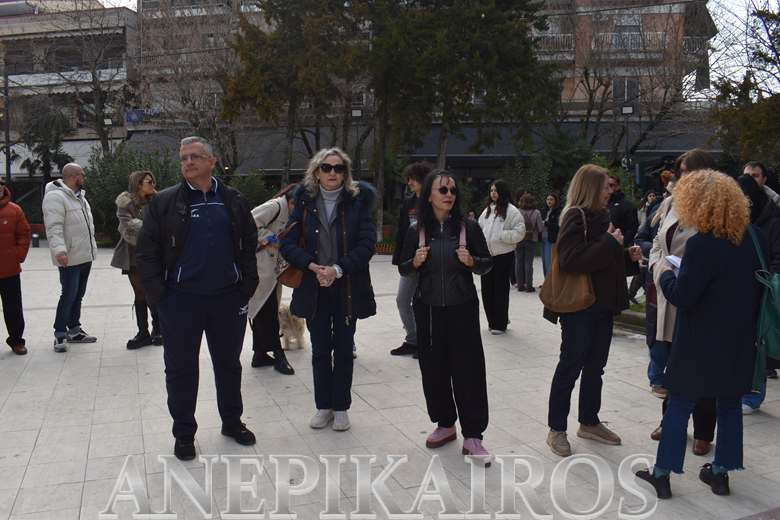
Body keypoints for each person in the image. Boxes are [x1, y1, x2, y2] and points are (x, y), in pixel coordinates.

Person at [636, 170, 763, 499]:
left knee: (679, 404)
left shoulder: (702, 244)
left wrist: (664, 272)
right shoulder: (753, 239)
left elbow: (683, 296)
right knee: (730, 406)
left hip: (698, 341)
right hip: (739, 339)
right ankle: (721, 474)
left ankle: (662, 474)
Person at [136, 136, 259, 461]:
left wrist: (247, 285)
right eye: (183, 158)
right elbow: (146, 252)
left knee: (229, 365)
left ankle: (232, 422)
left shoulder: (233, 199)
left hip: (227, 300)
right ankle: (184, 434)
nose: (188, 162)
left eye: (195, 156)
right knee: (180, 370)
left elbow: (249, 242)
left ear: (212, 161)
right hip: (180, 301)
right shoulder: (164, 202)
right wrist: (159, 296)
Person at [544, 164, 641, 457]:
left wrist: (626, 255)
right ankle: (556, 429)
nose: (610, 190)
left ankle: (589, 421)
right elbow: (571, 260)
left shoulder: (603, 215)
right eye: (605, 186)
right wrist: (610, 243)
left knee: (595, 367)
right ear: (591, 188)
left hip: (602, 304)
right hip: (580, 306)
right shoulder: (576, 216)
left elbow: (601, 259)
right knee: (570, 366)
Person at [398, 170, 494, 463]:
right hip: (427, 310)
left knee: (469, 371)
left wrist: (472, 261)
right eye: (442, 190)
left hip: (462, 308)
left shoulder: (469, 228)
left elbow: (487, 264)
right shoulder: (416, 230)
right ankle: (445, 424)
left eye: (452, 190)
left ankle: (474, 435)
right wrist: (414, 262)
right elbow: (403, 267)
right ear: (429, 195)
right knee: (434, 370)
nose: (449, 195)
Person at [281, 148, 377, 433]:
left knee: (344, 349)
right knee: (320, 350)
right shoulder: (303, 201)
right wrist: (313, 267)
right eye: (326, 167)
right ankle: (323, 406)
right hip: (314, 287)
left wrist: (337, 269)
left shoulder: (358, 201)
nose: (332, 172)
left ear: (346, 173)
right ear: (316, 171)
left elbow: (367, 244)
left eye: (339, 168)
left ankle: (342, 407)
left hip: (347, 286)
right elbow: (287, 244)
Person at [648, 148, 718, 455]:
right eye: (681, 171)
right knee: (673, 364)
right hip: (668, 291)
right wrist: (658, 268)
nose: (683, 176)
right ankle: (670, 422)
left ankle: (703, 431)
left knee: (702, 366)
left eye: (689, 170)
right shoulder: (670, 202)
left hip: (700, 296)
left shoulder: (716, 207)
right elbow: (656, 243)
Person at [42, 163, 99, 352]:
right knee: (68, 295)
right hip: (69, 257)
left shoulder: (79, 196)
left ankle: (74, 330)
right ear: (73, 176)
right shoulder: (55, 197)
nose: (84, 177)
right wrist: (60, 250)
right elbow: (54, 227)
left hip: (84, 255)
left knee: (78, 295)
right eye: (82, 174)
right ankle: (60, 333)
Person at [737, 174, 780, 413]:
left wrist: (766, 281)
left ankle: (753, 395)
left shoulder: (771, 222)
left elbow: (777, 258)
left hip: (762, 291)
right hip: (744, 293)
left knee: (759, 344)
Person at [248, 184, 298, 375]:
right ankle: (278, 355)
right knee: (267, 311)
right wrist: (271, 238)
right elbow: (249, 222)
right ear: (291, 201)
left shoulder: (288, 211)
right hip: (261, 268)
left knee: (263, 310)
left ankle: (259, 354)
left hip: (271, 269)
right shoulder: (275, 206)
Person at [110, 170, 162, 349]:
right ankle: (143, 332)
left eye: (153, 181)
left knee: (153, 291)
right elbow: (126, 226)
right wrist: (151, 229)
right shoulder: (125, 202)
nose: (153, 184)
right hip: (132, 253)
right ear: (138, 184)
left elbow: (165, 224)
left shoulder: (158, 200)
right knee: (139, 292)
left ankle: (159, 329)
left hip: (154, 252)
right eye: (149, 181)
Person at [390, 162, 433, 357]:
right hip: (410, 261)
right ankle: (413, 339)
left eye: (412, 179)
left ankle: (427, 342)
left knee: (425, 303)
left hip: (430, 261)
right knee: (402, 300)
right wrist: (399, 258)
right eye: (408, 179)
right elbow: (401, 231)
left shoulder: (434, 201)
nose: (409, 182)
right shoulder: (408, 203)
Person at [477, 179, 525, 334]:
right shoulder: (487, 210)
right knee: (487, 290)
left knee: (500, 290)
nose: (493, 193)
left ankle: (500, 323)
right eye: (491, 190)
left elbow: (520, 232)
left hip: (503, 256)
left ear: (502, 192)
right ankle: (492, 321)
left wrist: (502, 236)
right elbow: (479, 228)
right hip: (487, 256)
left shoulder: (512, 211)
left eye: (496, 190)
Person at [0, 179, 31, 355]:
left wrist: (17, 255)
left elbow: (24, 235)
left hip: (9, 270)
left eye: (0, 184)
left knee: (13, 308)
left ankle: (17, 341)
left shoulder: (15, 210)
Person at [628, 191, 660, 304]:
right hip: (646, 240)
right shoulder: (644, 209)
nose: (652, 197)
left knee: (643, 273)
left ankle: (635, 293)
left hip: (649, 243)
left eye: (653, 195)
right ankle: (631, 294)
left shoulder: (656, 207)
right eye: (650, 195)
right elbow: (640, 224)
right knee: (642, 272)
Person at [516, 193, 543, 292]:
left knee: (518, 262)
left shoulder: (517, 211)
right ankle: (529, 286)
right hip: (531, 239)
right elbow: (540, 228)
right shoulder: (536, 212)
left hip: (519, 238)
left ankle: (520, 285)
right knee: (528, 263)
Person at [607, 174, 639, 245]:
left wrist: (623, 243)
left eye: (611, 185)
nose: (609, 188)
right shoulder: (602, 205)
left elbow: (632, 229)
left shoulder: (628, 206)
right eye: (606, 185)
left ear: (618, 186)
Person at [540, 193, 561, 278]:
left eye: (551, 199)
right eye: (548, 199)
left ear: (555, 201)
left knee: (548, 261)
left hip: (550, 239)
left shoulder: (558, 212)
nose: (549, 201)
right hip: (542, 238)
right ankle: (546, 281)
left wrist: (546, 223)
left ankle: (550, 281)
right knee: (544, 262)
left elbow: (558, 227)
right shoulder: (543, 210)